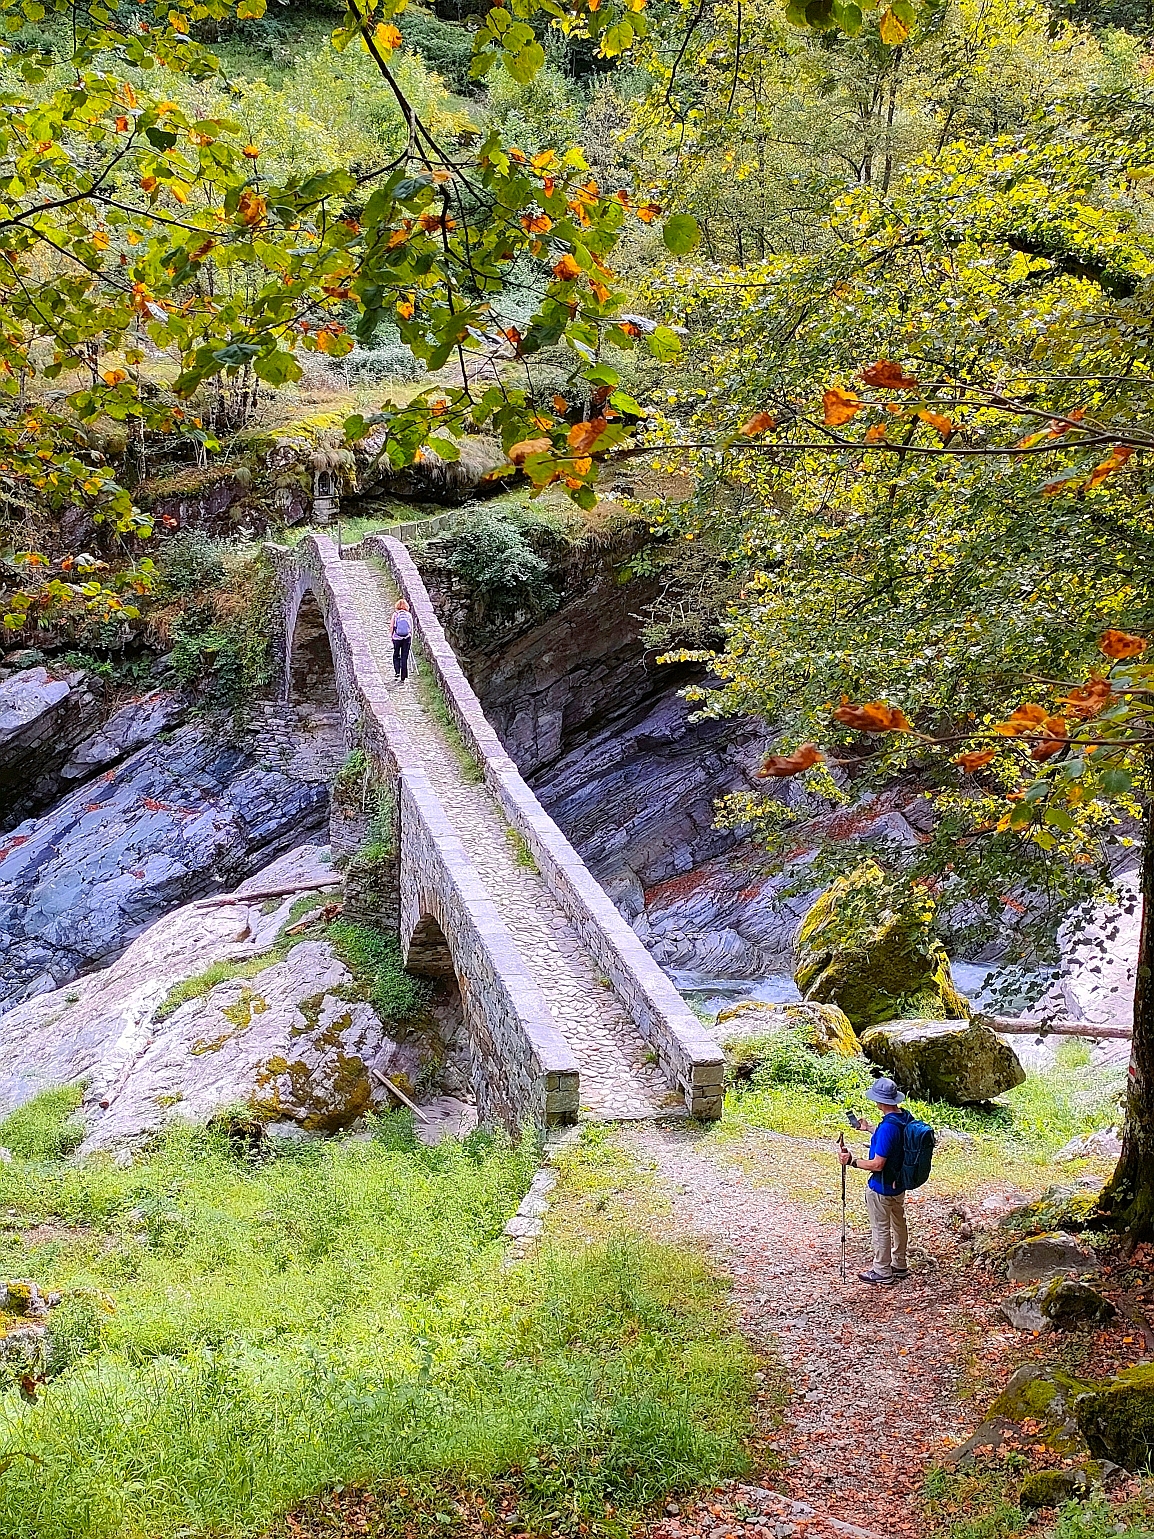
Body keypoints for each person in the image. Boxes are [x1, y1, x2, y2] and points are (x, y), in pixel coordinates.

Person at [839, 1076, 913, 1285]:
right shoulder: (904, 1117)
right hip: (899, 1184)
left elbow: (877, 1164)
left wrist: (851, 1161)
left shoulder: (888, 1127)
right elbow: (893, 1139)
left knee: (881, 1227)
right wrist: (870, 1128)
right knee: (899, 1223)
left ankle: (882, 1270)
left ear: (880, 1101)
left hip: (881, 1187)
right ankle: (899, 1264)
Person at [391, 599, 413, 683]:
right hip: (407, 638)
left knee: (396, 655)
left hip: (397, 638)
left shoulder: (395, 614)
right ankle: (403, 676)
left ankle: (397, 672)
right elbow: (411, 628)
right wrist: (411, 639)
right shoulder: (408, 615)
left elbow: (392, 626)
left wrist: (391, 636)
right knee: (404, 657)